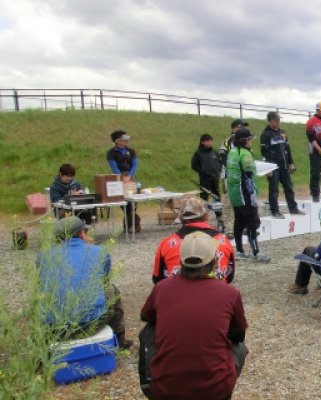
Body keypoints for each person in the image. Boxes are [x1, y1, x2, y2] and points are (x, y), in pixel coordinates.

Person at [139, 232, 249, 400]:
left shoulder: (162, 288)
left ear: (181, 261)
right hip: (214, 391)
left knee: (147, 332)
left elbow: (146, 317)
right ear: (214, 261)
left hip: (164, 391)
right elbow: (239, 335)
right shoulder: (229, 293)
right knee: (240, 348)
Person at [36, 216, 132, 349]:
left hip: (56, 328)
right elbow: (104, 281)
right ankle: (119, 341)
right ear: (82, 234)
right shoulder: (99, 252)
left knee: (41, 298)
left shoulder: (43, 256)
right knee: (112, 290)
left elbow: (41, 285)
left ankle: (43, 348)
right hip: (91, 323)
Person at [152, 197, 236, 284]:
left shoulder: (166, 243)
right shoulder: (224, 242)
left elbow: (157, 279)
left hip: (178, 294)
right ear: (207, 217)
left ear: (181, 219)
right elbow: (229, 277)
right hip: (217, 293)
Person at [226, 127, 270, 263]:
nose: (251, 141)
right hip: (245, 192)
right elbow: (248, 170)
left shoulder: (232, 152)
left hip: (234, 193)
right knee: (253, 222)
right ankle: (255, 252)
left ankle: (239, 250)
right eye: (250, 139)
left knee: (239, 222)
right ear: (245, 140)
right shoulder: (245, 153)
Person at [260, 111, 303, 218]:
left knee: (289, 187)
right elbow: (264, 152)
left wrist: (291, 162)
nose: (278, 122)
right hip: (273, 166)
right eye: (276, 120)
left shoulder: (282, 133)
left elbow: (287, 149)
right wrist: (267, 168)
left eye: (279, 120)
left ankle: (293, 208)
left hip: (284, 166)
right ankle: (275, 211)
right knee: (274, 189)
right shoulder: (265, 135)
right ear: (269, 121)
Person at [106, 129, 140, 233]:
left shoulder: (132, 151)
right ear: (117, 141)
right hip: (118, 178)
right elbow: (113, 166)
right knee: (124, 203)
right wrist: (121, 177)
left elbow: (135, 164)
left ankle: (133, 224)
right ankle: (131, 224)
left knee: (133, 202)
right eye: (124, 140)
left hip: (130, 177)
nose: (126, 142)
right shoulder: (111, 153)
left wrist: (130, 175)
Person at [190, 134, 224, 230]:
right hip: (205, 179)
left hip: (215, 178)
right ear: (202, 142)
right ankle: (202, 217)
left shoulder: (214, 152)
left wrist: (219, 170)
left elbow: (219, 162)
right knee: (204, 199)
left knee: (217, 197)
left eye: (210, 140)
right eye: (206, 141)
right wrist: (202, 171)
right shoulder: (198, 153)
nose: (208, 142)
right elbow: (194, 165)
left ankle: (219, 217)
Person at [219, 119, 248, 193]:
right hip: (229, 173)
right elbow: (223, 158)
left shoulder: (246, 141)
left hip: (243, 174)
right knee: (228, 196)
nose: (241, 129)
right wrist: (234, 168)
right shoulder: (226, 142)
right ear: (233, 129)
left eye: (243, 128)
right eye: (239, 127)